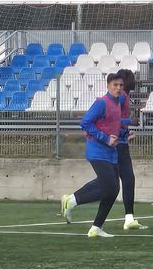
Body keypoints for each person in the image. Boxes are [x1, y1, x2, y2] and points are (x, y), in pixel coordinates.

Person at [61, 72, 124, 238]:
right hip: (97, 151)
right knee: (108, 185)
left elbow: (111, 126)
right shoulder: (101, 103)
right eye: (115, 85)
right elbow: (85, 122)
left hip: (110, 153)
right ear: (108, 86)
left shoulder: (117, 104)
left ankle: (96, 227)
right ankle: (72, 201)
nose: (118, 88)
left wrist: (125, 134)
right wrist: (104, 138)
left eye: (120, 85)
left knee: (113, 189)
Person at [113, 69, 146, 230]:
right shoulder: (122, 97)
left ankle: (72, 200)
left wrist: (126, 132)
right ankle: (72, 200)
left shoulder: (124, 96)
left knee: (113, 182)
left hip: (120, 141)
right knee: (125, 180)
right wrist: (128, 122)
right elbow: (113, 117)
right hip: (118, 143)